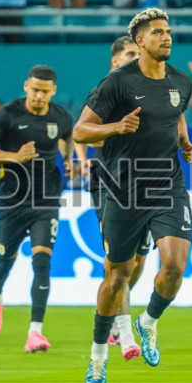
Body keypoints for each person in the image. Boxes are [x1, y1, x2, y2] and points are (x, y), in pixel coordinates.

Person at [73, 8, 192, 383]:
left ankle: (149, 321)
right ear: (139, 41)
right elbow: (80, 131)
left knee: (175, 266)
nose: (166, 37)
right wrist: (116, 127)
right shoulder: (117, 83)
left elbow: (175, 115)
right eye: (158, 32)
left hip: (167, 185)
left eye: (168, 31)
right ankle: (98, 355)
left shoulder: (182, 81)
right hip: (123, 189)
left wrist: (185, 143)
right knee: (118, 276)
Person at [0, 65, 74, 352]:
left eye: (44, 91)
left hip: (46, 199)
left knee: (42, 262)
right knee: (4, 260)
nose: (39, 96)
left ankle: (35, 333)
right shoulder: (8, 114)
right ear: (26, 86)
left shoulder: (61, 116)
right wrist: (15, 156)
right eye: (34, 90)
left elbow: (67, 138)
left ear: (53, 91)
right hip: (13, 200)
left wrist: (69, 160)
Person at [74, 36, 144, 361]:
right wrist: (85, 157)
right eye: (130, 54)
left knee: (138, 261)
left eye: (138, 54)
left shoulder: (148, 92)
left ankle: (112, 305)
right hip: (108, 179)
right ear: (115, 60)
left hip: (143, 182)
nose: (135, 59)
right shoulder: (104, 91)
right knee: (120, 260)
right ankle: (126, 334)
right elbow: (83, 132)